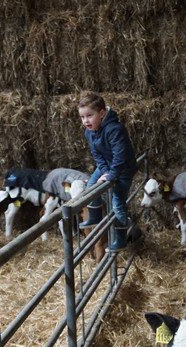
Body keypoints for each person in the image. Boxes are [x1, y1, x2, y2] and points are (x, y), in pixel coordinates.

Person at [77, 92, 138, 252]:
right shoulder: (89, 132)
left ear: (102, 113)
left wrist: (111, 176)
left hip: (124, 168)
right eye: (82, 117)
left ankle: (121, 238)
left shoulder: (115, 129)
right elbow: (96, 155)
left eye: (89, 115)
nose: (85, 121)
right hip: (108, 165)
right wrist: (105, 171)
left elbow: (120, 156)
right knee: (91, 186)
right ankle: (95, 216)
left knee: (117, 203)